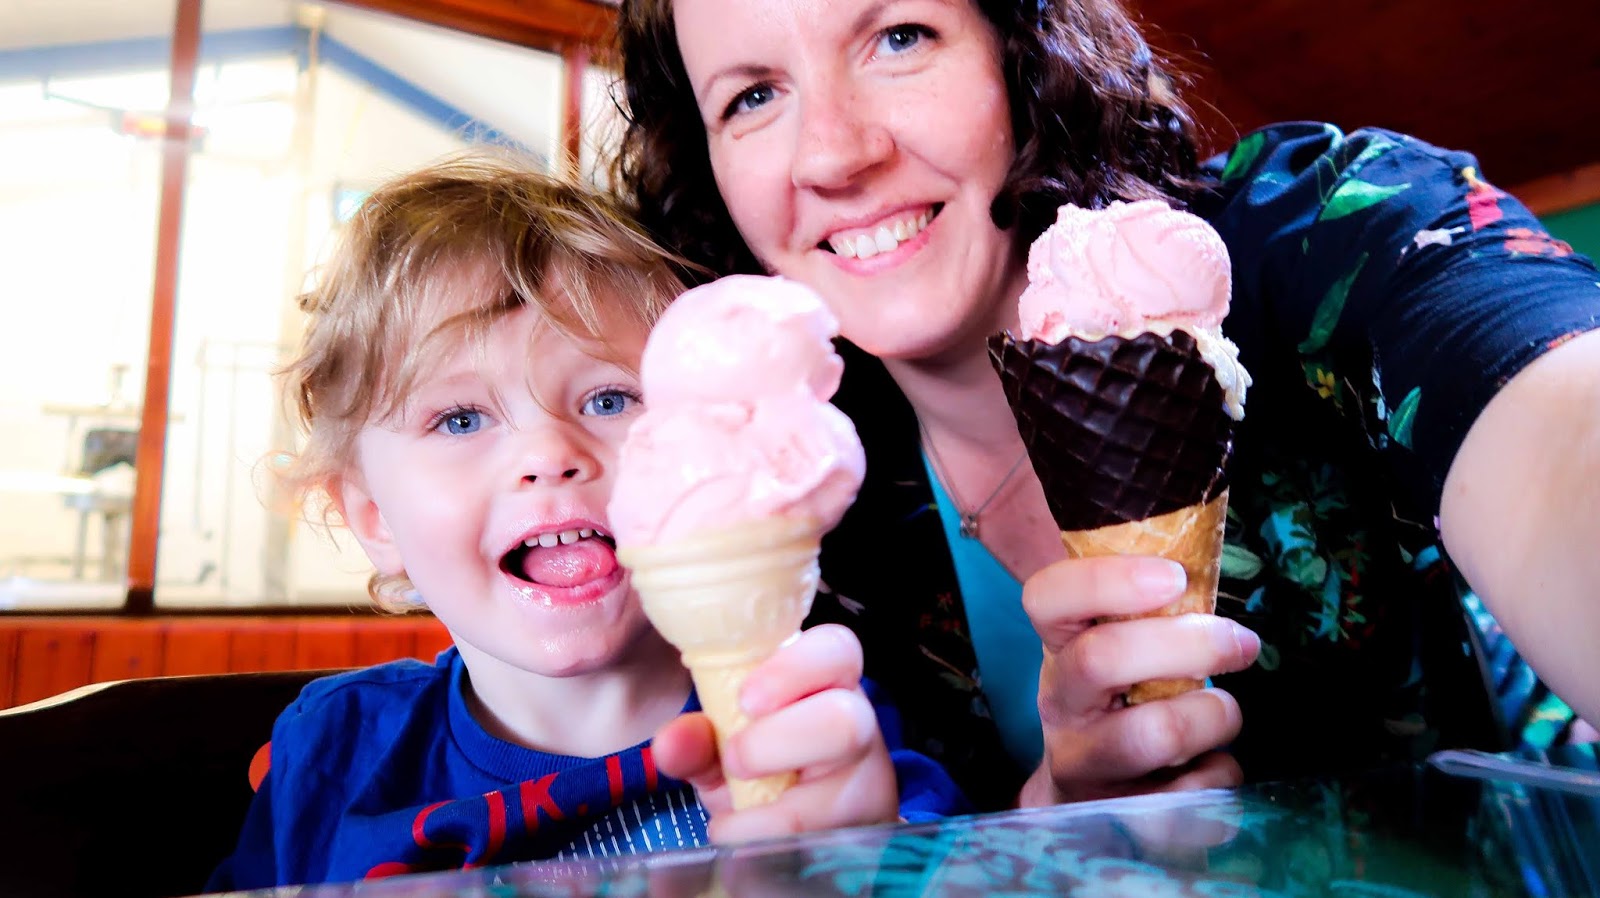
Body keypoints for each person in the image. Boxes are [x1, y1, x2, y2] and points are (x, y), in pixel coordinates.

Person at [612, 0, 1600, 811]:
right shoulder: (790, 484)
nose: (833, 153)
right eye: (750, 96)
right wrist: (1034, 834)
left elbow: (1554, 416)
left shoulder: (1310, 232)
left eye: (898, 37)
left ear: (1014, 47)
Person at [207, 153, 964, 891]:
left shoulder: (817, 731)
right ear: (374, 517)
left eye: (609, 400)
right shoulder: (329, 756)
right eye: (461, 418)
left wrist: (857, 865)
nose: (549, 455)